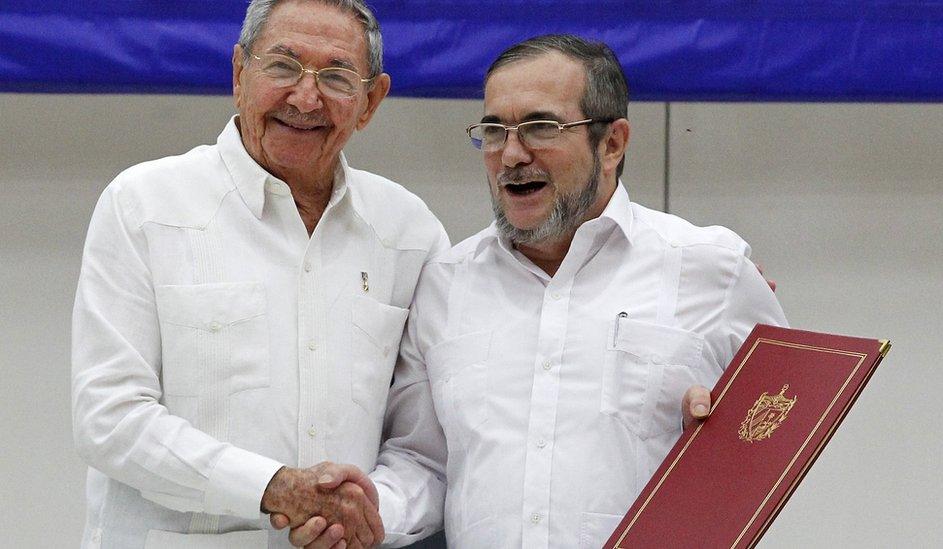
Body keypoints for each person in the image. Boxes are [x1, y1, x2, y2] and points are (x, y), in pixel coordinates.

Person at [282, 34, 788, 548]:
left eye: (541, 127)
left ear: (611, 144)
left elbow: (785, 432)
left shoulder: (712, 270)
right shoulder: (445, 285)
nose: (512, 155)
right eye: (495, 130)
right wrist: (365, 510)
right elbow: (427, 463)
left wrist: (721, 451)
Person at [70, 0, 447, 547]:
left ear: (371, 101)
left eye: (337, 77)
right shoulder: (144, 205)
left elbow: (425, 446)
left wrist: (366, 513)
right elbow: (109, 418)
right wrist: (272, 488)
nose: (305, 97)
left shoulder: (408, 232)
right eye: (283, 66)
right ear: (239, 74)